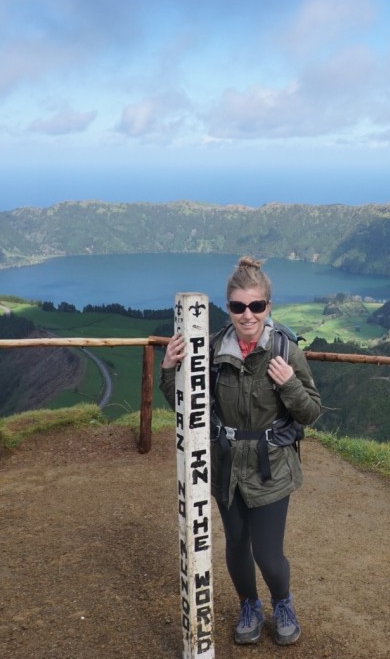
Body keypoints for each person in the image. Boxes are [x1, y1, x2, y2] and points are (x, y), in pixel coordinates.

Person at [160, 256, 322, 646]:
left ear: (269, 306)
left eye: (256, 306)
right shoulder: (211, 350)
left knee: (267, 553)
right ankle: (249, 603)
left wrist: (289, 385)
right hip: (225, 464)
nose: (247, 315)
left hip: (272, 467)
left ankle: (282, 602)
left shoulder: (285, 349)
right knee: (236, 546)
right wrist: (169, 369)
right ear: (228, 307)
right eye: (237, 306)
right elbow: (189, 409)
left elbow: (311, 412)